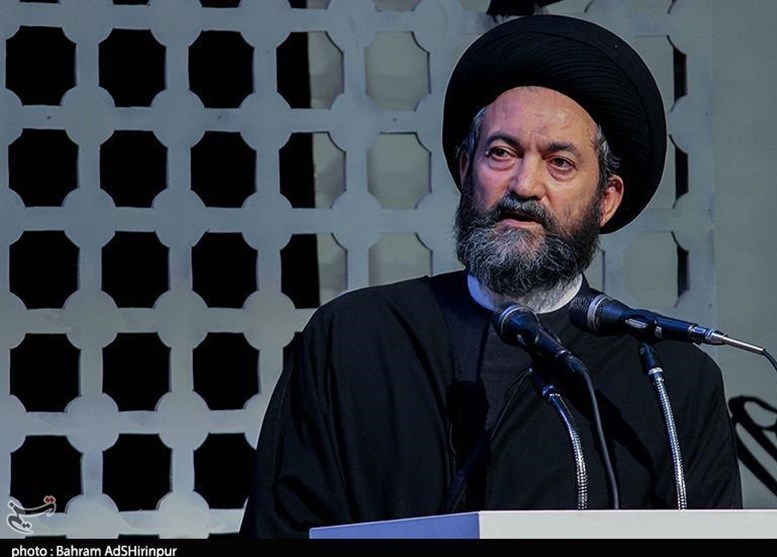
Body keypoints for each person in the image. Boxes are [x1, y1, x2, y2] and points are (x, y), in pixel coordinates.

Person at [240, 14, 743, 539]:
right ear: (465, 169)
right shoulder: (354, 339)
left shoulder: (669, 382)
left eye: (560, 163)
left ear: (607, 200)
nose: (524, 185)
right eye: (502, 153)